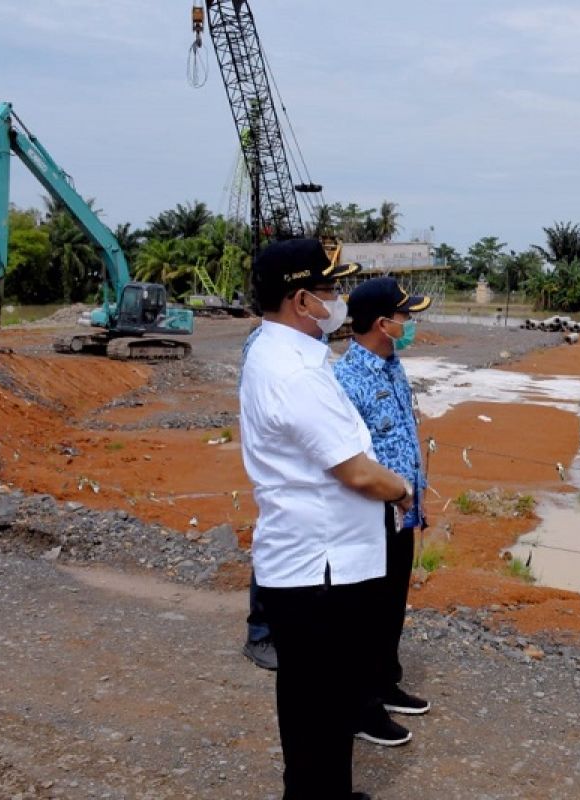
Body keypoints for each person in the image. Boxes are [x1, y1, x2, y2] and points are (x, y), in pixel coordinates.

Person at [239, 238, 413, 799]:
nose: (337, 300)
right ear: (300, 301)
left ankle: (320, 793)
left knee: (314, 696)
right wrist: (403, 489)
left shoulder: (282, 356)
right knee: (320, 695)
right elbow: (357, 473)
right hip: (320, 567)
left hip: (314, 560)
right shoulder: (295, 374)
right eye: (329, 290)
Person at [333, 277, 433, 748]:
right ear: (382, 323)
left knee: (392, 601)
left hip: (403, 511)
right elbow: (351, 460)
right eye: (405, 316)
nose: (409, 324)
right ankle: (360, 708)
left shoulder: (392, 364)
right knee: (364, 613)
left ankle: (384, 682)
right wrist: (393, 494)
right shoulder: (346, 380)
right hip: (371, 512)